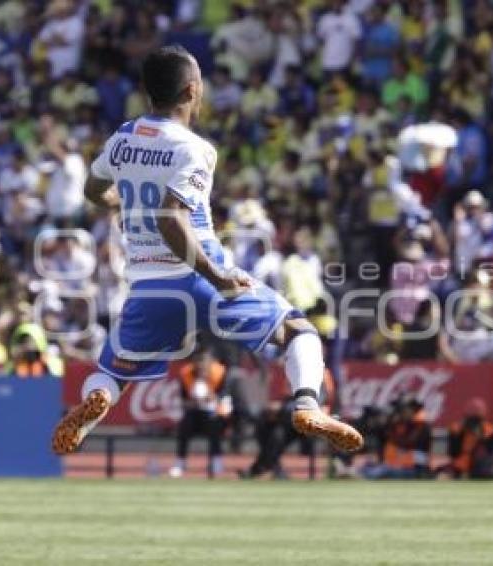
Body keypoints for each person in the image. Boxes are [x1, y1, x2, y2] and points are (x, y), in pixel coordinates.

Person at [51, 46, 363, 455]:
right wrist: (217, 277)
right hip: (202, 277)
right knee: (298, 331)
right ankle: (307, 403)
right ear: (192, 90)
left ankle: (97, 405)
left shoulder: (122, 139)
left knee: (112, 373)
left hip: (148, 287)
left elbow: (93, 190)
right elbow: (170, 218)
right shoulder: (194, 148)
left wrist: (122, 203)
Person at [169, 347, 230, 478]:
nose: (201, 365)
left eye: (204, 362)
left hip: (215, 414)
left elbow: (225, 400)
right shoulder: (186, 373)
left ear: (211, 362)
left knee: (215, 424)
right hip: (195, 414)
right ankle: (180, 463)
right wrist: (194, 401)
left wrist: (210, 396)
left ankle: (216, 462)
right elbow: (183, 400)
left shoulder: (220, 372)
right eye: (198, 362)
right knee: (185, 423)